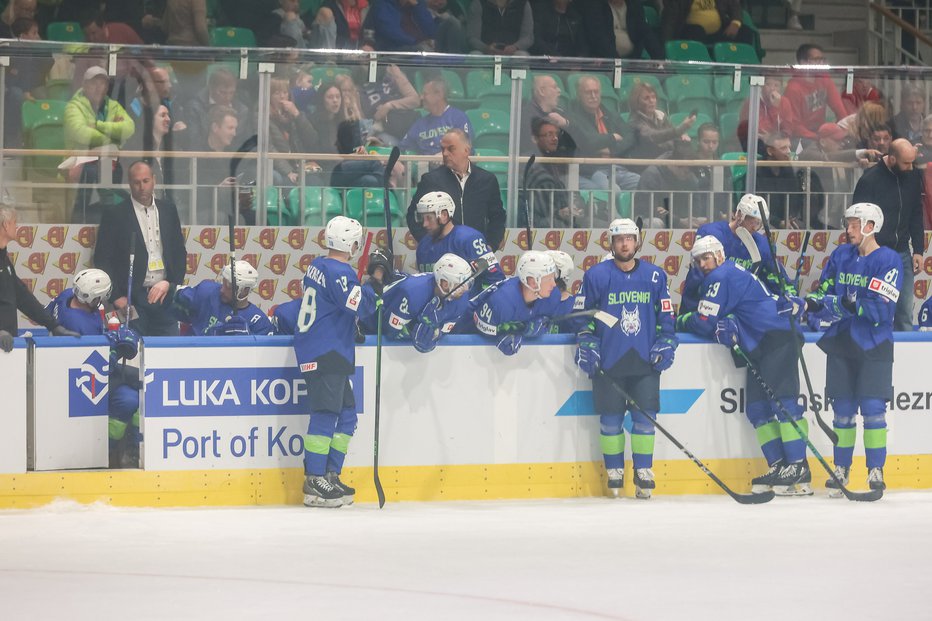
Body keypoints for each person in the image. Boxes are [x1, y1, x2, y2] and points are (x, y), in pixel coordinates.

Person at [678, 235, 811, 496]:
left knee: (783, 404)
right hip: (760, 345)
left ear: (719, 255)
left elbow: (705, 321)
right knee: (757, 409)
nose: (703, 264)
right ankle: (780, 465)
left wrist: (680, 321)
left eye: (706, 257)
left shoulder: (720, 276)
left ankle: (798, 466)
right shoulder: (727, 273)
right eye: (698, 260)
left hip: (776, 337)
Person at [575, 218, 677, 499]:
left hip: (645, 360)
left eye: (629, 238)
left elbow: (666, 315)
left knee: (645, 419)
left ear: (637, 241)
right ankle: (615, 471)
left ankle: (644, 470)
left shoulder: (655, 276)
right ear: (611, 242)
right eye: (619, 239)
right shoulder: (596, 275)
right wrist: (587, 342)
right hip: (609, 361)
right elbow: (582, 317)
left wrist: (667, 341)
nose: (624, 243)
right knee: (610, 421)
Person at [805, 203, 899, 494]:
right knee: (842, 410)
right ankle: (841, 467)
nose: (849, 230)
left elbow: (883, 311)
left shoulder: (889, 259)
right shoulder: (841, 254)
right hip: (842, 340)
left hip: (874, 343)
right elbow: (826, 290)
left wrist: (850, 304)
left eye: (855, 225)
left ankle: (875, 470)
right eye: (848, 224)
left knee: (873, 410)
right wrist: (809, 303)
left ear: (871, 226)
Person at [293, 215, 380, 507]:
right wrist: (373, 286)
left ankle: (330, 474)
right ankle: (314, 479)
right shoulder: (340, 273)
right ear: (352, 244)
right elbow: (363, 307)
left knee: (346, 416)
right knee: (326, 414)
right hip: (325, 350)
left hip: (329, 349)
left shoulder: (317, 265)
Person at [45, 268, 142, 468]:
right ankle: (105, 450)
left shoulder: (66, 297)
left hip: (67, 371)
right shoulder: (79, 324)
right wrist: (118, 349)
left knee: (136, 387)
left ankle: (131, 448)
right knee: (134, 393)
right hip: (83, 383)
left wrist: (110, 333)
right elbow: (101, 366)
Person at [94, 161, 188, 336]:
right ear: (129, 184)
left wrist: (171, 284)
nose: (141, 187)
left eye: (146, 181)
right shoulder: (115, 214)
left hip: (164, 296)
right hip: (131, 298)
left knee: (168, 352)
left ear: (154, 180)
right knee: (132, 351)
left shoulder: (168, 210)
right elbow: (102, 259)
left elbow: (178, 252)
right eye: (136, 182)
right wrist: (115, 297)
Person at [852, 138, 923, 331]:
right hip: (875, 253)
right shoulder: (869, 179)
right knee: (871, 307)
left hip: (902, 253)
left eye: (912, 162)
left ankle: (906, 358)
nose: (911, 168)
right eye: (906, 163)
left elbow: (916, 212)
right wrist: (861, 254)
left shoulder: (913, 176)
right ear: (891, 159)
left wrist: (918, 249)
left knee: (904, 311)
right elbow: (857, 220)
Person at [679, 194, 791, 315]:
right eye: (751, 221)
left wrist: (789, 298)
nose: (754, 227)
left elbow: (778, 280)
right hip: (704, 303)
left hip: (739, 310)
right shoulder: (710, 233)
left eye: (758, 223)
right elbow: (699, 275)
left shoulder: (763, 245)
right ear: (738, 214)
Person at [406, 129, 506, 250]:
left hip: (476, 252)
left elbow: (498, 217)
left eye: (451, 149)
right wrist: (427, 244)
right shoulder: (431, 180)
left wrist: (491, 245)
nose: (445, 153)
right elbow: (413, 215)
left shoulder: (487, 180)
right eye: (443, 149)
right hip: (442, 252)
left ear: (466, 150)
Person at [0, 205, 79, 353]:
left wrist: (54, 326)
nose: (18, 227)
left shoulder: (4, 259)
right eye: (14, 222)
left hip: (9, 347)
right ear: (5, 225)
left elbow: (22, 297)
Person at [64, 66, 136, 220]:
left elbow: (129, 128)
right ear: (84, 85)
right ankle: (79, 221)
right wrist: (113, 139)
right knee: (90, 173)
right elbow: (81, 133)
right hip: (80, 159)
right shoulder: (73, 107)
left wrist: (98, 126)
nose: (98, 88)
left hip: (107, 160)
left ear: (107, 87)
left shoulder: (113, 106)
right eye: (93, 83)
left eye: (102, 83)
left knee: (113, 171)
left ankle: (108, 217)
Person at [375, 252, 474, 351]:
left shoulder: (461, 300)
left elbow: (442, 332)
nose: (464, 289)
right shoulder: (412, 293)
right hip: (373, 315)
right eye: (460, 284)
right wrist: (413, 327)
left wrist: (434, 333)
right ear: (444, 283)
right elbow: (389, 331)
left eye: (466, 283)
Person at [473, 250, 558, 356]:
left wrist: (540, 325)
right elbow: (478, 327)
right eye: (549, 279)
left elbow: (549, 323)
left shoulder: (553, 296)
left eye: (553, 277)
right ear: (532, 281)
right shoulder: (502, 301)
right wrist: (496, 336)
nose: (554, 284)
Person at [413, 191, 504, 291]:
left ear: (444, 215)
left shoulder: (470, 239)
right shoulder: (423, 246)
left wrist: (477, 302)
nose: (424, 224)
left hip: (470, 305)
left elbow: (495, 280)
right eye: (422, 218)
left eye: (429, 218)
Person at [568, 76, 640, 191]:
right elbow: (587, 142)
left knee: (644, 184)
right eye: (588, 92)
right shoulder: (573, 116)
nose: (593, 96)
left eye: (596, 92)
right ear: (579, 94)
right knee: (613, 191)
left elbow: (631, 136)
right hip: (593, 170)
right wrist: (613, 137)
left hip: (617, 167)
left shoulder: (609, 113)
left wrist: (612, 149)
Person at [170, 260, 274, 336]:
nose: (222, 290)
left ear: (245, 290)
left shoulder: (259, 322)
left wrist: (248, 340)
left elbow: (261, 358)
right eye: (223, 283)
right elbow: (173, 298)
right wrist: (169, 289)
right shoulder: (208, 291)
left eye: (228, 287)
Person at [780, 44, 848, 147]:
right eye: (816, 60)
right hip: (801, 138)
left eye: (822, 59)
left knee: (847, 142)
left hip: (820, 133)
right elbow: (795, 126)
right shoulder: (793, 88)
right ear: (803, 63)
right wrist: (819, 138)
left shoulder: (825, 79)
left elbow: (840, 110)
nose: (820, 63)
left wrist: (841, 130)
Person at [525, 118, 588, 228]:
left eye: (556, 134)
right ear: (535, 139)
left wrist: (574, 207)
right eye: (549, 134)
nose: (555, 138)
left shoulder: (555, 162)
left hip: (558, 218)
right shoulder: (530, 163)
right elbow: (539, 209)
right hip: (538, 223)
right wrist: (559, 212)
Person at [635, 139, 707, 229]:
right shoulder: (652, 175)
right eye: (685, 172)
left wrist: (692, 219)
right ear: (674, 164)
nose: (688, 176)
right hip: (648, 217)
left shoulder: (690, 178)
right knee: (655, 223)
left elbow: (696, 206)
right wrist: (678, 221)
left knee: (705, 221)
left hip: (678, 218)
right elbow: (649, 209)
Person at [398, 78, 472, 155]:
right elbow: (403, 147)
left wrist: (446, 154)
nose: (421, 98)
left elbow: (466, 146)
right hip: (427, 166)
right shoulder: (420, 124)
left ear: (439, 95)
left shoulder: (458, 117)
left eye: (425, 94)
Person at [627, 81, 695, 162]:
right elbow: (654, 137)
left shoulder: (661, 115)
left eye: (653, 97)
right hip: (646, 165)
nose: (651, 101)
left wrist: (682, 136)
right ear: (636, 102)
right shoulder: (634, 121)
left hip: (666, 160)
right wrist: (680, 130)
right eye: (646, 98)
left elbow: (672, 135)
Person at [579, 0, 663, 60]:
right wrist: (618, 63)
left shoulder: (634, 4)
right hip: (604, 61)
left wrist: (659, 59)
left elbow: (646, 32)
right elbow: (599, 38)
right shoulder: (593, 5)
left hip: (632, 59)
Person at [520, 74, 576, 157]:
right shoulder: (526, 116)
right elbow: (530, 147)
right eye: (554, 87)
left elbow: (578, 142)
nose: (559, 90)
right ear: (542, 91)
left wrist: (566, 123)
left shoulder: (561, 114)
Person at [661, 0, 754, 47]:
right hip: (690, 33)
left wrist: (735, 23)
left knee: (745, 32)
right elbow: (670, 20)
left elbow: (735, 6)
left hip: (719, 32)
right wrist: (667, 44)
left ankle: (742, 71)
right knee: (697, 30)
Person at [467, 0, 534, 55]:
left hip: (514, 52)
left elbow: (528, 37)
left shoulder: (523, 4)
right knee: (475, 55)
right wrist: (486, 48)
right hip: (485, 52)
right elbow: (473, 37)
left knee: (522, 55)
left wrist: (515, 47)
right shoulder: (478, 3)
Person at [367, 0, 437, 51]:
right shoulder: (382, 4)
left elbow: (431, 31)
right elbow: (390, 31)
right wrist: (416, 42)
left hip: (420, 48)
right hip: (394, 50)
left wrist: (417, 7)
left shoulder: (419, 4)